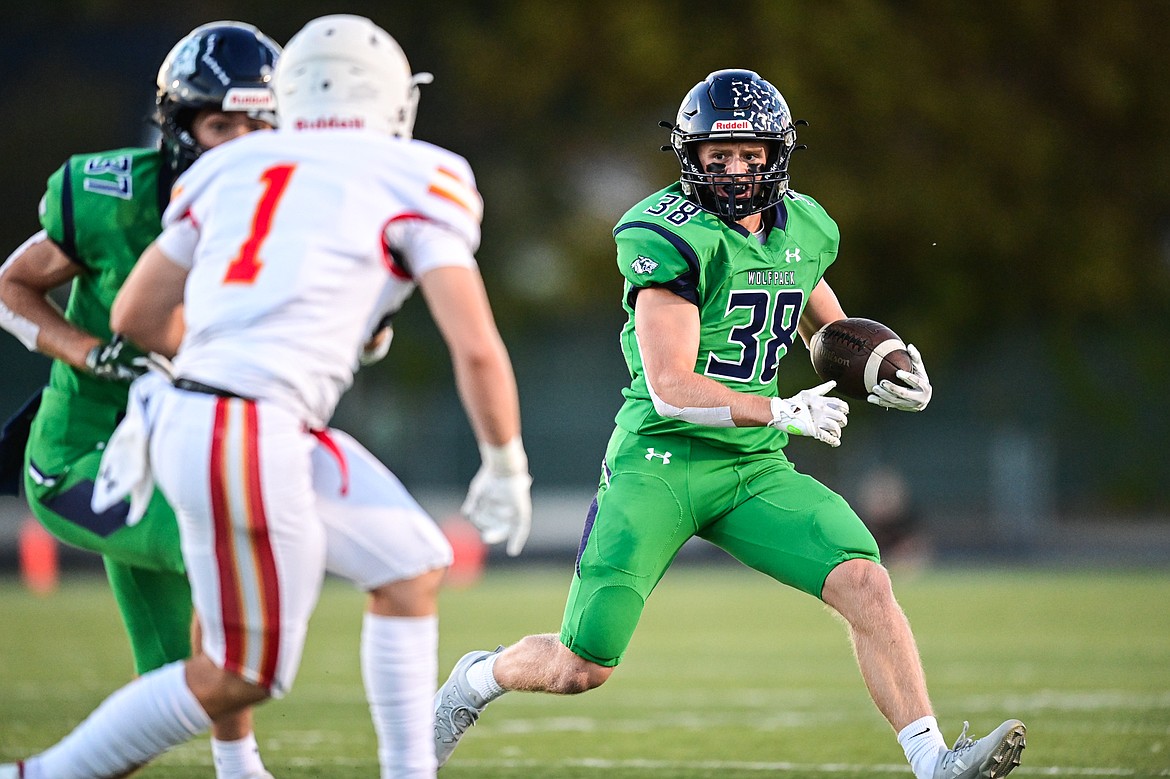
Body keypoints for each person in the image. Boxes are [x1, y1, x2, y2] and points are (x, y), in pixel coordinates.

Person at [432, 69, 1027, 779]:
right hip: (661, 461)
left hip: (751, 465)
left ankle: (934, 761)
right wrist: (779, 407)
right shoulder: (667, 235)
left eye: (749, 154)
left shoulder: (804, 226)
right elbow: (671, 385)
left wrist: (886, 368)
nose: (735, 170)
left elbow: (822, 324)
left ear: (777, 154)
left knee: (866, 581)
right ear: (691, 158)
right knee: (579, 665)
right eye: (718, 157)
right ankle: (475, 678)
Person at [0, 13, 530, 779]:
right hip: (236, 422)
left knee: (411, 563)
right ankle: (41, 775)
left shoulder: (227, 171)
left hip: (233, 417)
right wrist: (505, 460)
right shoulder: (417, 173)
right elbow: (476, 344)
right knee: (241, 671)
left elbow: (135, 317)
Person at [0, 21, 283, 779]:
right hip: (84, 456)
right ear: (180, 125)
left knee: (163, 702)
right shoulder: (109, 195)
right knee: (224, 551)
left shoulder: (287, 213)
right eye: (221, 124)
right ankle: (241, 768)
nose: (240, 143)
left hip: (177, 453)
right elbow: (12, 284)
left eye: (258, 124)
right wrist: (90, 351)